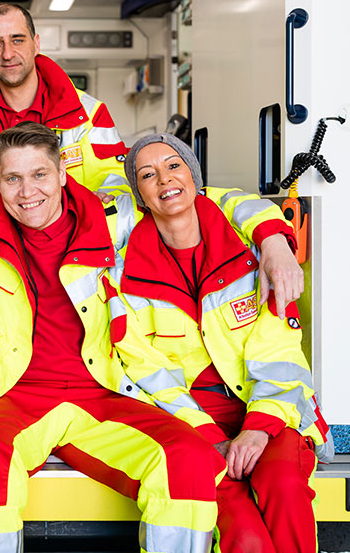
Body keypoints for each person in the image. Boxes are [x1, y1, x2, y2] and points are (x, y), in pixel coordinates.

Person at [0, 121, 228, 553]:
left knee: (188, 459)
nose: (27, 192)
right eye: (13, 179)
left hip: (101, 390)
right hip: (11, 392)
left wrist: (275, 239)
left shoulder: (113, 219)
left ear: (63, 174)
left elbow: (212, 199)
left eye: (40, 175)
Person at [111, 133, 332, 553]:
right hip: (188, 422)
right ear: (138, 194)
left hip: (269, 408)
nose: (164, 179)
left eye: (174, 166)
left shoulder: (255, 256)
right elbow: (143, 367)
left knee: (283, 486)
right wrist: (209, 435)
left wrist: (258, 429)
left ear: (195, 178)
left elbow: (280, 355)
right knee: (245, 534)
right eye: (147, 174)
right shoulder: (125, 274)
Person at [0, 3, 128, 194]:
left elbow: (118, 185)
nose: (7, 54)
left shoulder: (90, 114)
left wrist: (89, 208)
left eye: (17, 40)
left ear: (36, 44)